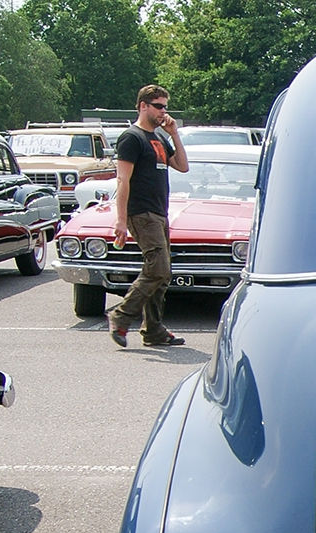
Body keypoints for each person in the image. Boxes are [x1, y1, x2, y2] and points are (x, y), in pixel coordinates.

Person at [108, 85, 189, 348]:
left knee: (163, 274)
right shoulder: (131, 138)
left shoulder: (160, 138)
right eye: (158, 106)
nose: (163, 111)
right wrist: (121, 220)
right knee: (158, 268)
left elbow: (183, 167)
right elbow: (123, 180)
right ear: (143, 105)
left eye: (165, 106)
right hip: (141, 213)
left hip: (159, 212)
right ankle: (120, 316)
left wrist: (174, 134)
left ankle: (153, 330)